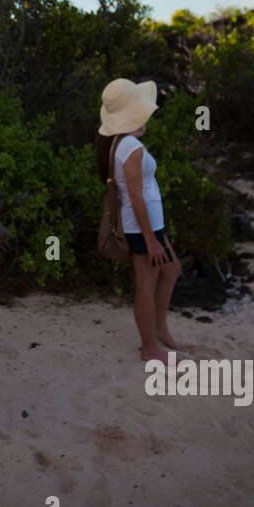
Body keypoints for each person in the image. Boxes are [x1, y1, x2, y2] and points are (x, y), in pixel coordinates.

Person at [95, 78, 183, 363]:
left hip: (151, 225)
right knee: (146, 285)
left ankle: (159, 329)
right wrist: (149, 240)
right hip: (142, 227)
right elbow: (135, 196)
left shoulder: (121, 142)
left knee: (171, 271)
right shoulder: (130, 146)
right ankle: (149, 348)